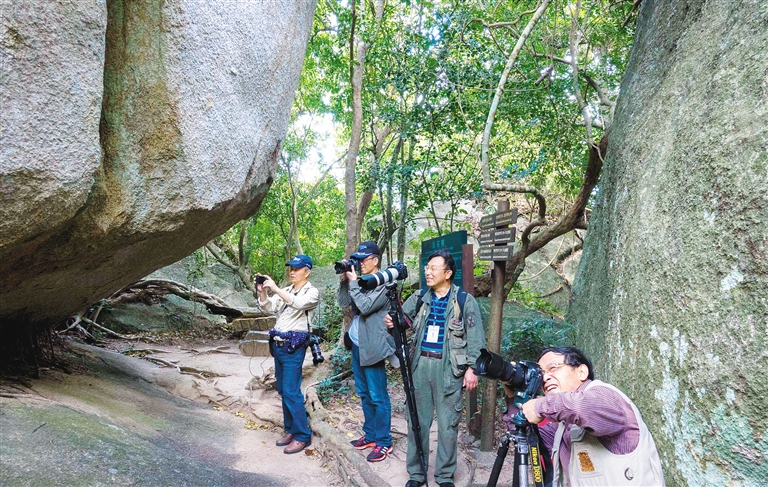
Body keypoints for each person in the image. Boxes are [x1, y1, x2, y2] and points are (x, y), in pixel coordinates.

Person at [386, 249, 486, 487]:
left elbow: (476, 337)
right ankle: (416, 473)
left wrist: (472, 368)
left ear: (448, 273)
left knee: (448, 425)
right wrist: (392, 321)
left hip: (449, 368)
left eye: (433, 268)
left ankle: (444, 475)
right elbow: (402, 321)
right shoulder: (421, 296)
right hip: (420, 365)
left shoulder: (464, 301)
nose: (427, 272)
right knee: (416, 421)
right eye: (427, 268)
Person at [515, 346, 665, 486]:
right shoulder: (564, 425)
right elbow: (525, 435)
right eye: (541, 374)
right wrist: (514, 394)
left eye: (553, 368)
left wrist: (540, 406)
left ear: (582, 372)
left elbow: (584, 407)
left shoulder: (604, 395)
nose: (545, 378)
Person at [255, 254, 320, 455]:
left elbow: (298, 304)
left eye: (297, 269)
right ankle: (290, 429)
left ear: (307, 272)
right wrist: (263, 292)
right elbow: (269, 307)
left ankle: (302, 435)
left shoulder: (312, 292)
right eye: (291, 268)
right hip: (279, 346)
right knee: (283, 390)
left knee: (291, 391)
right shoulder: (287, 290)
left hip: (294, 347)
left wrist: (275, 289)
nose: (292, 272)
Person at [337, 241, 395, 462]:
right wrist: (345, 281)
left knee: (378, 396)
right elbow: (344, 302)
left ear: (375, 260)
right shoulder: (360, 281)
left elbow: (365, 306)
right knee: (363, 392)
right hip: (357, 343)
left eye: (364, 259)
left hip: (373, 346)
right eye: (358, 260)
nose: (360, 263)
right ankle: (370, 435)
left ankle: (384, 441)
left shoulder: (385, 283)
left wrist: (354, 283)